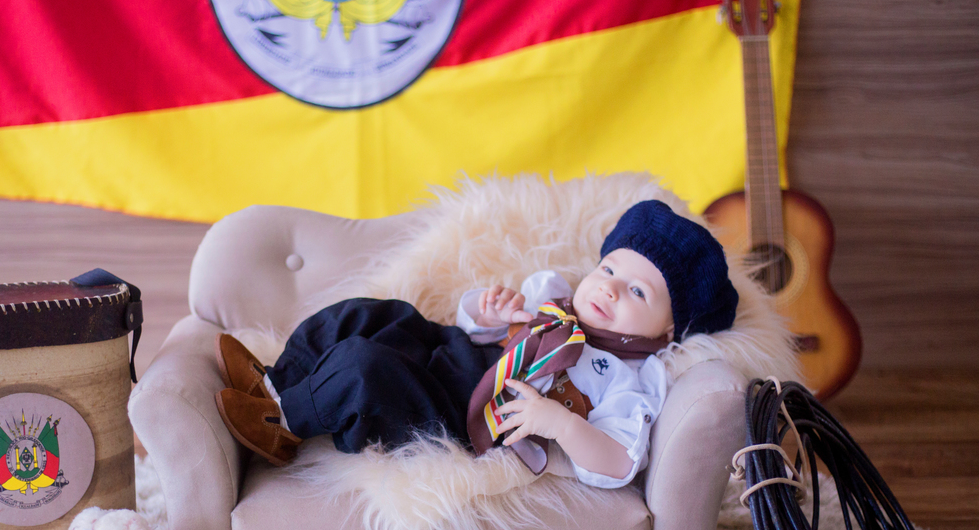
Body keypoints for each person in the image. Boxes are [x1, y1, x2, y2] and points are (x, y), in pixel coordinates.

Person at [213, 200, 739, 489]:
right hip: (449, 349)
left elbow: (621, 461)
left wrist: (561, 424)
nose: (610, 288)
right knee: (370, 313)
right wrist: (489, 314)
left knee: (364, 367)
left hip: (459, 411)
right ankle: (277, 381)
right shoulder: (555, 300)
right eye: (608, 269)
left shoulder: (630, 377)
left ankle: (283, 423)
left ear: (668, 331)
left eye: (638, 292)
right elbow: (481, 332)